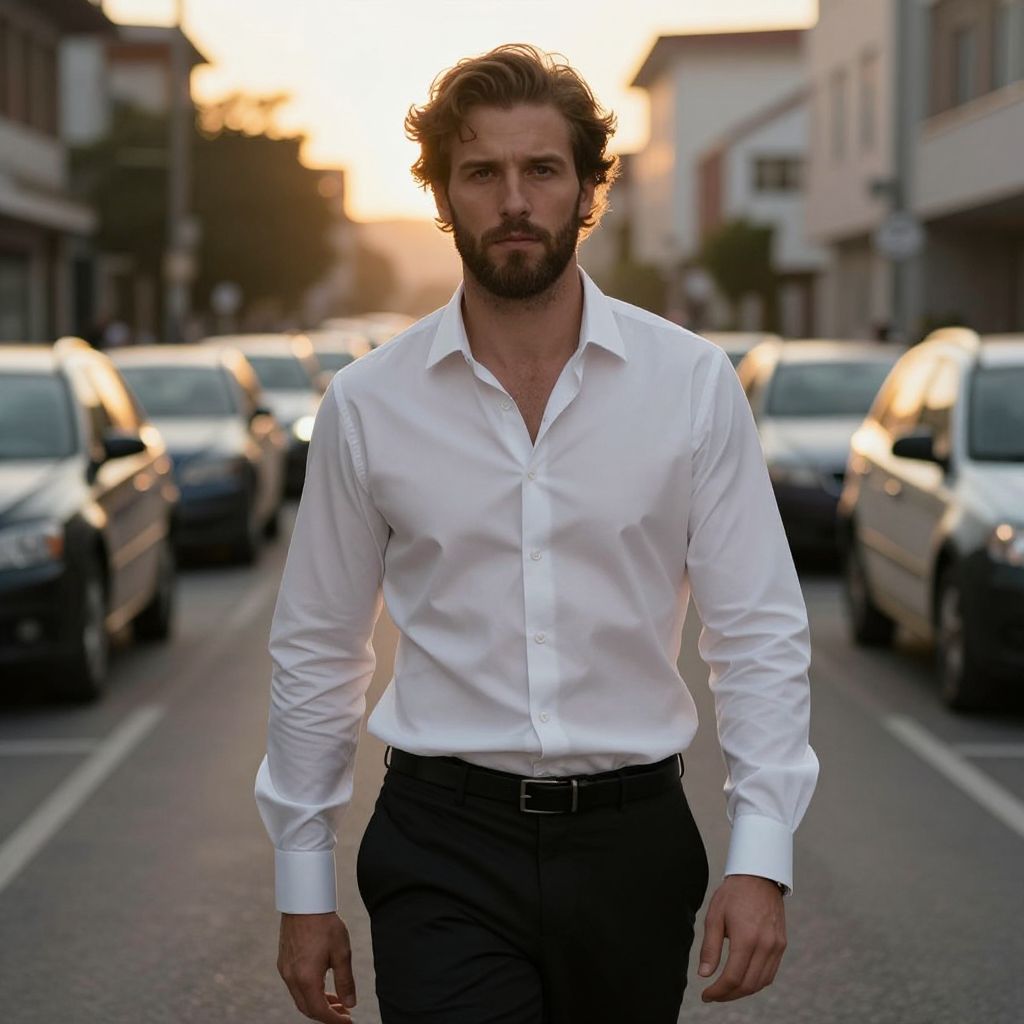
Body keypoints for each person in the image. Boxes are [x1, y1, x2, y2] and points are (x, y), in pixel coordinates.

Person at [255, 44, 819, 1024]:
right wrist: (303, 884)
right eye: (481, 172)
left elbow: (757, 631)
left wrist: (761, 858)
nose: (514, 199)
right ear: (443, 194)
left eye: (542, 170)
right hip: (441, 840)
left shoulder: (688, 385)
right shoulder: (368, 404)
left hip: (631, 840)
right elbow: (318, 646)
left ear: (588, 189)